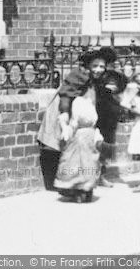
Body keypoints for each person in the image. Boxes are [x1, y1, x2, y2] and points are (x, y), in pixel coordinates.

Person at [37, 48, 126, 192]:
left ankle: (91, 177)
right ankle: (61, 182)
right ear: (89, 65)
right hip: (65, 108)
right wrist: (64, 117)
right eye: (95, 66)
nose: (98, 69)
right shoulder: (78, 75)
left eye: (101, 66)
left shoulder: (99, 78)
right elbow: (66, 95)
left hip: (83, 112)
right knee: (62, 144)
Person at [53, 89, 101, 203]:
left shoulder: (78, 103)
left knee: (75, 163)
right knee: (90, 162)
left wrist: (66, 129)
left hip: (79, 139)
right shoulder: (89, 102)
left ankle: (78, 190)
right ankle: (88, 190)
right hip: (90, 136)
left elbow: (74, 122)